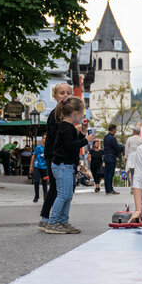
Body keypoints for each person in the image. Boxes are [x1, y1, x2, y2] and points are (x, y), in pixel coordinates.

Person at [43, 97, 95, 234]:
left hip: (66, 165)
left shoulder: (68, 127)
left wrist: (82, 132)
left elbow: (71, 143)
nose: (83, 115)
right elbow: (70, 145)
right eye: (82, 112)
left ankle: (63, 220)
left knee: (68, 195)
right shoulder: (65, 127)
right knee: (63, 194)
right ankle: (53, 222)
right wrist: (86, 140)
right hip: (62, 165)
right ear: (75, 113)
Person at [39, 83, 74, 228]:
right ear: (54, 97)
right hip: (54, 156)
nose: (65, 95)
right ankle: (46, 218)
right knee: (55, 188)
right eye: (62, 93)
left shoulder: (68, 114)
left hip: (64, 157)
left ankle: (59, 218)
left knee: (65, 188)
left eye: (68, 92)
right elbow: (57, 136)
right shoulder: (55, 114)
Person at [103, 124, 124, 194]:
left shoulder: (105, 137)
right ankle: (110, 189)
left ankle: (107, 189)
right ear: (113, 129)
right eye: (115, 129)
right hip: (111, 156)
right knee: (110, 173)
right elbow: (117, 148)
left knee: (106, 173)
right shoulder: (112, 138)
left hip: (106, 156)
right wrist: (121, 148)